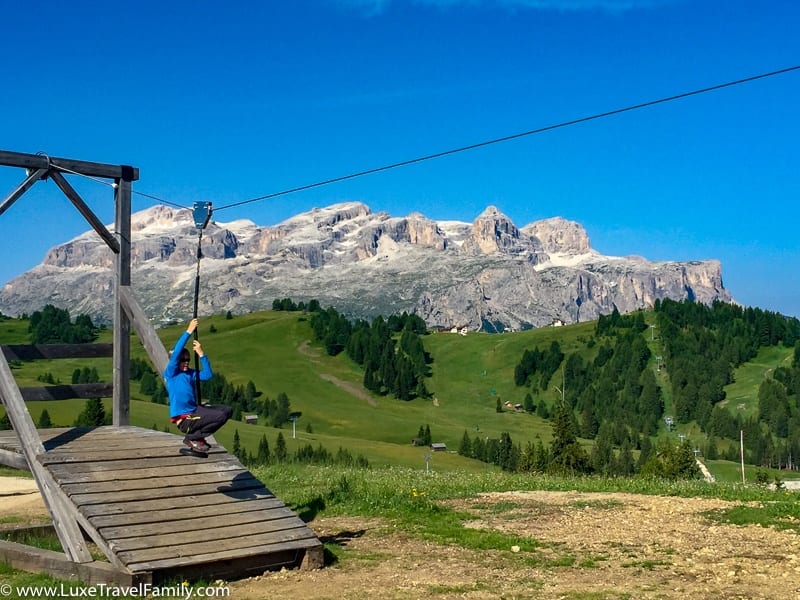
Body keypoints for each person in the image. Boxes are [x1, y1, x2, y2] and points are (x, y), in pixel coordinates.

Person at [164, 318, 232, 453]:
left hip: (194, 412)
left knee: (227, 411)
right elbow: (177, 352)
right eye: (182, 360)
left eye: (188, 359)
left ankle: (197, 437)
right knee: (220, 416)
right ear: (176, 361)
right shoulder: (171, 373)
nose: (186, 362)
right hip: (185, 420)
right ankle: (193, 437)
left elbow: (207, 375)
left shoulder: (190, 373)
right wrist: (189, 331)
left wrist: (202, 354)